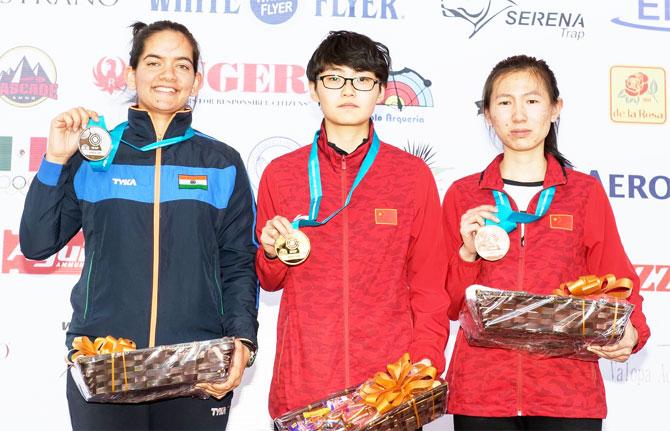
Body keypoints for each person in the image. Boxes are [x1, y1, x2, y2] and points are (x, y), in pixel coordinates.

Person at [19, 20, 258, 430]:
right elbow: (36, 243)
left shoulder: (221, 162)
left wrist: (243, 342)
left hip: (196, 366)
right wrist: (56, 158)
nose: (168, 75)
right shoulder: (97, 155)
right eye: (154, 62)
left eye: (182, 65)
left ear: (197, 81)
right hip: (104, 361)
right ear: (131, 74)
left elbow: (237, 261)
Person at [441, 54, 650, 431]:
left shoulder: (585, 194)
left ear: (555, 109)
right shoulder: (462, 195)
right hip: (483, 393)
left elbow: (618, 279)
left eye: (532, 101)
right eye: (504, 102)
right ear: (487, 114)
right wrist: (467, 253)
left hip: (568, 391)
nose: (518, 115)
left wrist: (634, 331)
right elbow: (449, 302)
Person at [255, 30, 450, 419]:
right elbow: (269, 278)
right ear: (313, 89)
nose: (348, 90)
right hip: (304, 384)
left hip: (389, 386)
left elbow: (429, 284)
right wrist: (273, 252)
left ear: (380, 92)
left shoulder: (411, 176)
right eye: (334, 78)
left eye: (363, 80)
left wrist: (425, 362)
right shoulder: (281, 174)